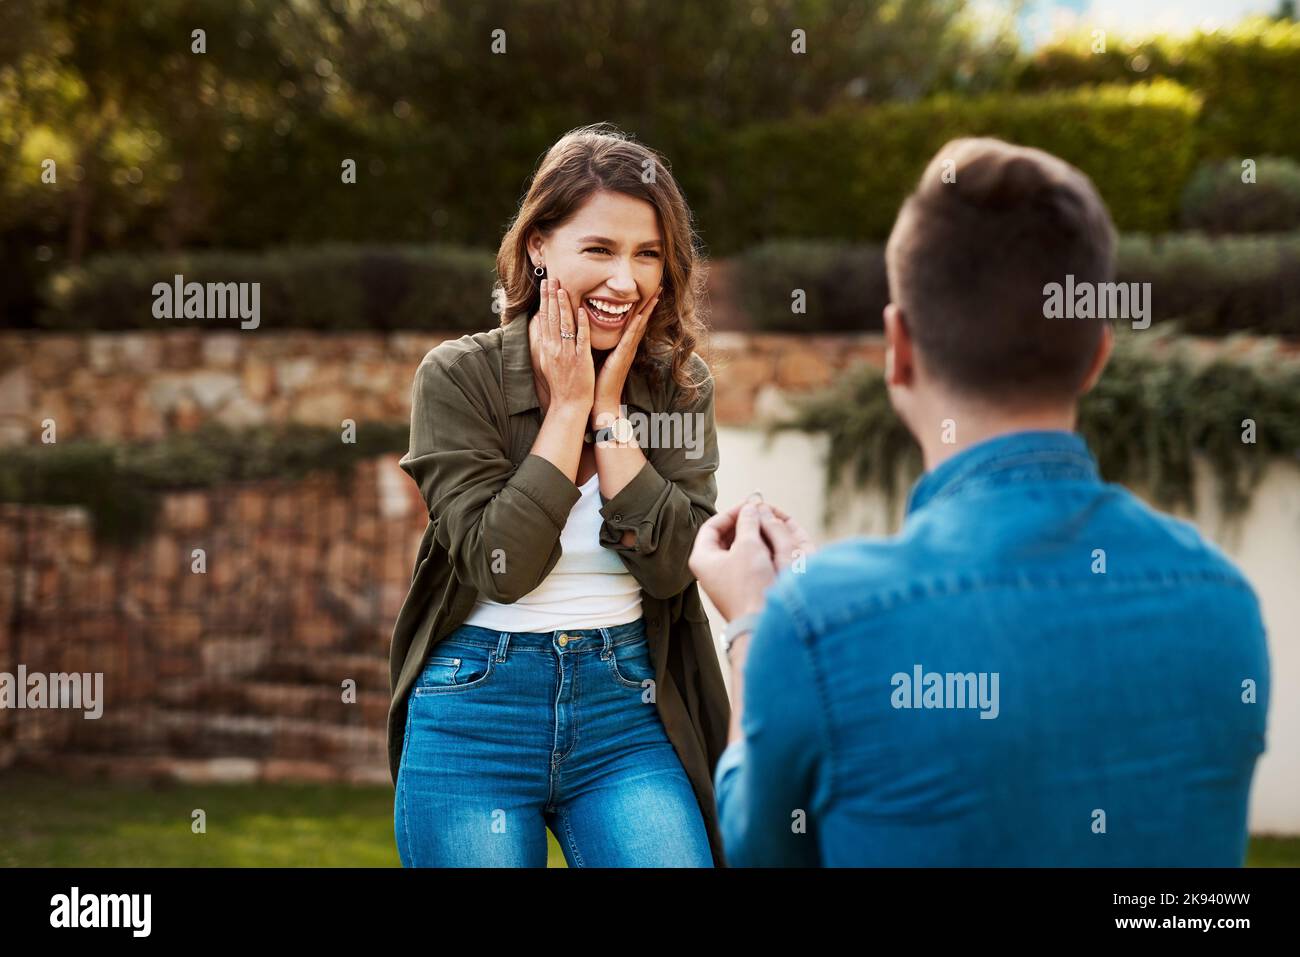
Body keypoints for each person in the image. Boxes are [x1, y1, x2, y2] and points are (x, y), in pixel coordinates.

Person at [689, 137, 1271, 867]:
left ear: (898, 347)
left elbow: (758, 849)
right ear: (1098, 352)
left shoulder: (816, 626)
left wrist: (754, 621)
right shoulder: (1224, 605)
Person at [389, 124, 730, 867]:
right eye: (600, 249)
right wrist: (569, 406)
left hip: (628, 710)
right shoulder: (457, 377)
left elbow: (673, 568)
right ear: (539, 246)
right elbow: (502, 564)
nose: (626, 280)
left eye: (647, 255)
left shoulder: (678, 386)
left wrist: (610, 418)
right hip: (475, 708)